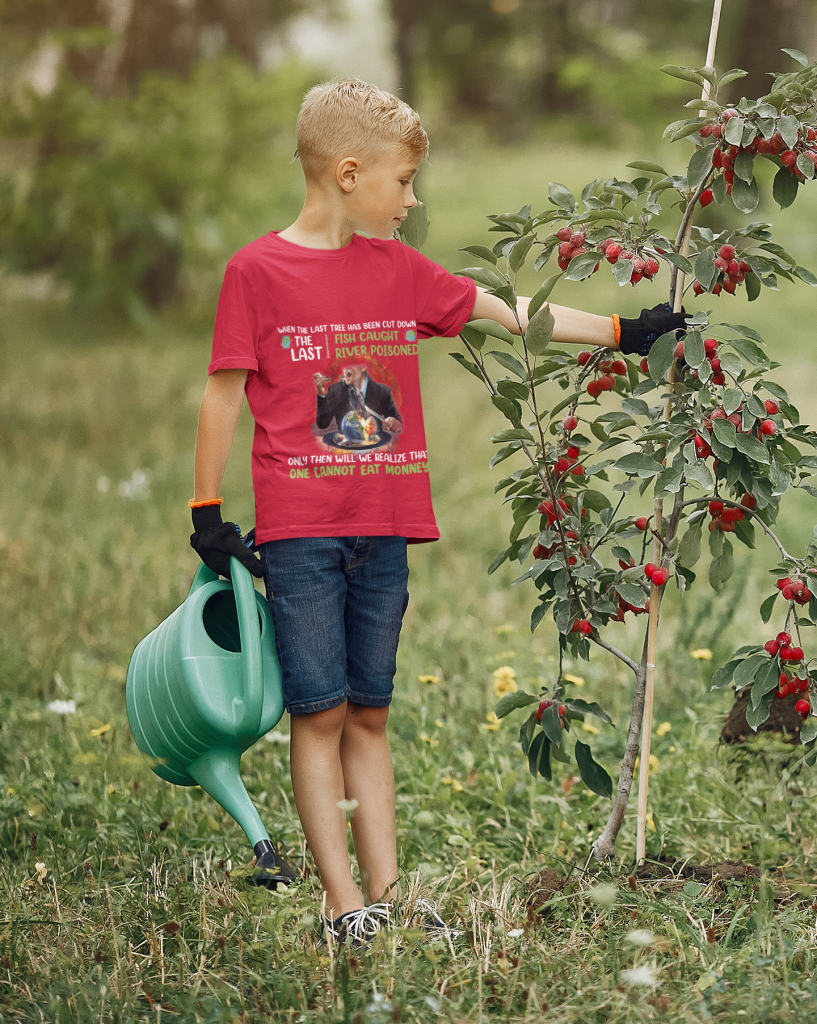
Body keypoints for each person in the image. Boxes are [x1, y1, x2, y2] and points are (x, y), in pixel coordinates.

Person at [188, 78, 684, 944]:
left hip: (384, 526)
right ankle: (340, 904)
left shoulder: (398, 269)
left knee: (370, 710)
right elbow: (222, 393)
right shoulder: (255, 272)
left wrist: (621, 333)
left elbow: (508, 315)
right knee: (320, 713)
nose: (413, 200)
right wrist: (206, 510)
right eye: (404, 182)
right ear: (348, 173)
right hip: (299, 533)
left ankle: (384, 894)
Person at [314, 363, 403, 434]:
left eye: (350, 363)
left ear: (363, 366)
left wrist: (395, 424)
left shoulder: (382, 391)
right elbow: (322, 424)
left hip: (375, 448)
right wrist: (321, 393)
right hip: (346, 450)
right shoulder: (335, 390)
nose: (345, 369)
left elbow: (398, 421)